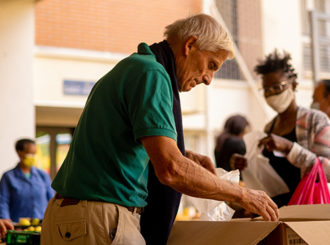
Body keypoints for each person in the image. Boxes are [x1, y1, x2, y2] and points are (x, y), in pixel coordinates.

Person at [41, 14, 278, 245]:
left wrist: (185, 156)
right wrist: (243, 195)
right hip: (100, 217)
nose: (208, 79)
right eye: (211, 65)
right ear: (190, 45)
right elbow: (171, 168)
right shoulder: (152, 73)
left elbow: (128, 149)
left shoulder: (133, 67)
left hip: (73, 217)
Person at [233, 50, 330, 207]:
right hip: (276, 212)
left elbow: (327, 172)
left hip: (306, 211)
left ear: (294, 84)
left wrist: (290, 148)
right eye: (266, 90)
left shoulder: (315, 120)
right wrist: (246, 165)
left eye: (277, 87)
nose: (271, 94)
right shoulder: (269, 128)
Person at [0, 138, 54, 222]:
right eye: (30, 153)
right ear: (20, 153)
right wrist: (5, 220)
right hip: (17, 225)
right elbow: (3, 201)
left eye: (34, 153)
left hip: (42, 224)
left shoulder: (43, 175)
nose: (33, 156)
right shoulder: (8, 177)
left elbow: (52, 200)